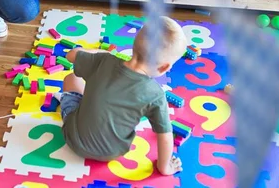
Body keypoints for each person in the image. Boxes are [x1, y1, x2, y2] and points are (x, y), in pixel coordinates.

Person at [58, 16, 186, 175]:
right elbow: (166, 136)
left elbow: (71, 55)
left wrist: (100, 52)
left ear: (134, 44)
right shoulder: (156, 95)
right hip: (113, 151)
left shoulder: (104, 60)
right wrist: (165, 167)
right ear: (164, 67)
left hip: (74, 140)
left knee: (71, 78)